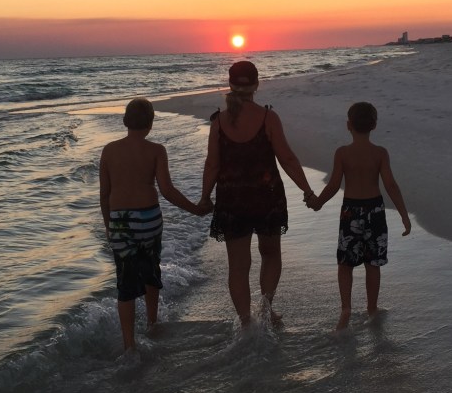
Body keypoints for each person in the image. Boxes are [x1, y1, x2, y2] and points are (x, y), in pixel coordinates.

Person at [200, 60, 317, 326]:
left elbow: (212, 164)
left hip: (232, 200)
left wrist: (205, 197)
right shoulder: (267, 118)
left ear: (230, 84)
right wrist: (308, 191)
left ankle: (245, 322)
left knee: (238, 266)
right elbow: (287, 159)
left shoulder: (219, 122)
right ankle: (266, 310)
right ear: (256, 85)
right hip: (267, 197)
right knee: (271, 253)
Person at [99, 97, 203, 350]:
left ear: (126, 120)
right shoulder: (157, 150)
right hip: (148, 219)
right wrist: (196, 209)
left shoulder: (109, 150)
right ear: (150, 123)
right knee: (150, 271)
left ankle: (129, 344)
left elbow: (104, 194)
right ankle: (152, 324)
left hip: (120, 222)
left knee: (125, 281)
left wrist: (109, 226)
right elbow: (167, 190)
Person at [307, 101, 411, 330]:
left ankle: (346, 309)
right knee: (372, 263)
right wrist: (404, 215)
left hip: (350, 212)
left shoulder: (343, 153)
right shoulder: (380, 153)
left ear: (348, 125)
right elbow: (391, 185)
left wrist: (318, 203)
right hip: (375, 211)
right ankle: (372, 308)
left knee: (346, 263)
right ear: (374, 125)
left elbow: (334, 185)